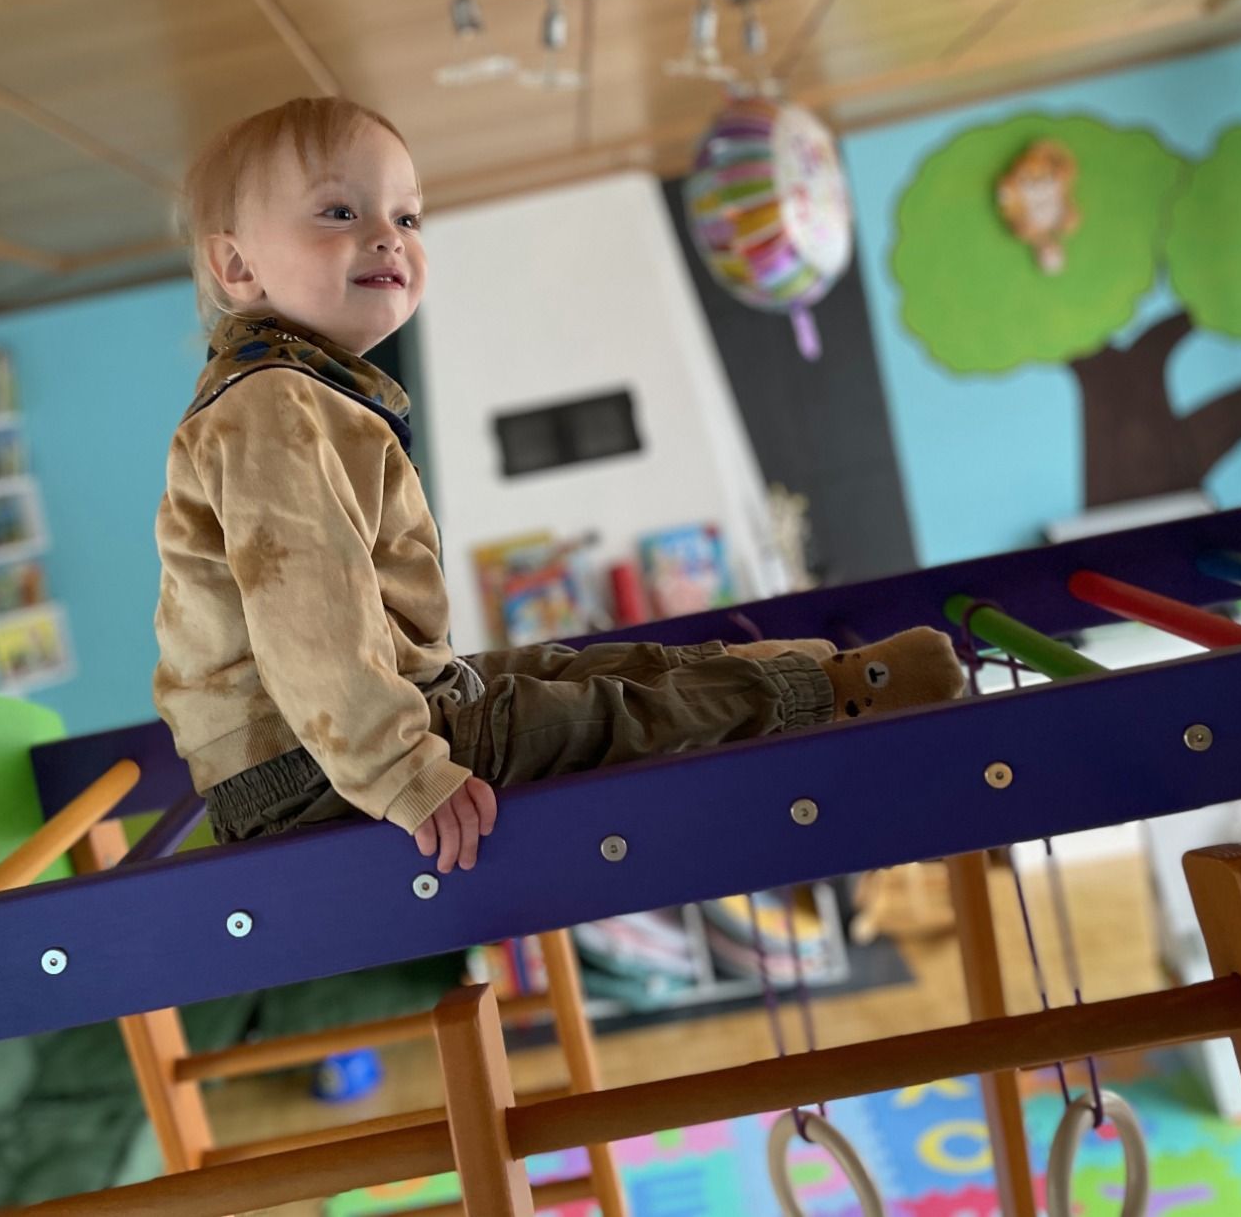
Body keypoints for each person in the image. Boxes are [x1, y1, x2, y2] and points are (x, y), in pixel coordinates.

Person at [153, 97, 964, 874]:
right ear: (239, 266)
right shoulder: (269, 407)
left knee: (568, 670)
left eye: (407, 218)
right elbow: (309, 609)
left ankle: (789, 672)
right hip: (308, 771)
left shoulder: (307, 393)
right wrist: (399, 770)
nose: (387, 239)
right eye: (340, 213)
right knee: (598, 718)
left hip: (349, 732)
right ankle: (831, 694)